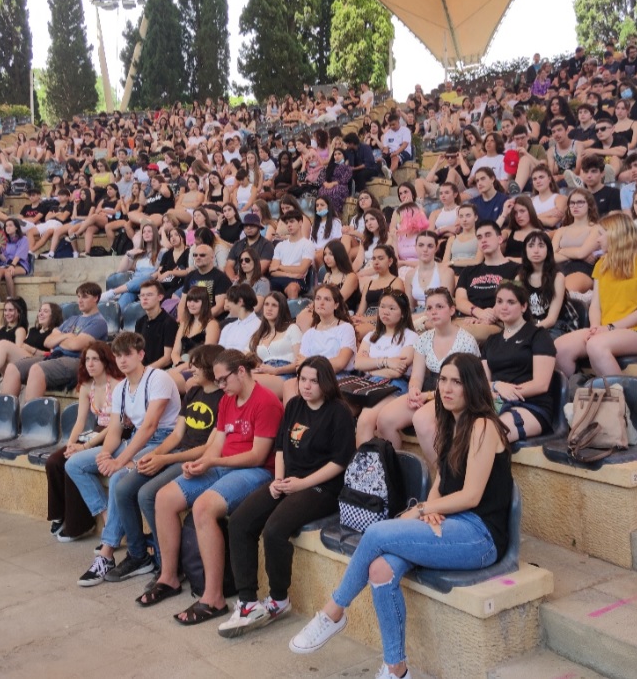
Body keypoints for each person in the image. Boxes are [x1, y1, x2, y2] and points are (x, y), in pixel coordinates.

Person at [289, 352, 512, 679]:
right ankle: (396, 668)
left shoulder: (483, 425)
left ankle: (333, 612)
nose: (446, 389)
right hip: (451, 524)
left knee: (377, 533)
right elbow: (442, 481)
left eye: (456, 382)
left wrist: (423, 509)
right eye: (443, 380)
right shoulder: (452, 422)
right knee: (380, 569)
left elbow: (472, 495)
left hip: (480, 536)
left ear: (473, 386)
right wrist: (432, 507)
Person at [219, 356, 356, 638]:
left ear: (326, 382)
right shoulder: (294, 405)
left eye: (313, 381)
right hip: (288, 480)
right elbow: (281, 447)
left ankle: (279, 599)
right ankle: (247, 601)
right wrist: (279, 480)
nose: (306, 386)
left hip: (323, 487)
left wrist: (303, 483)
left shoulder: (338, 412)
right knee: (240, 521)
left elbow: (340, 462)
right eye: (302, 379)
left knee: (275, 529)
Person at [146, 350, 283, 624]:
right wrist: (201, 463)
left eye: (223, 380)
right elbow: (217, 442)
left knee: (204, 507)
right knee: (164, 497)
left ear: (241, 372)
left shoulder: (266, 402)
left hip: (254, 471)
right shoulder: (228, 400)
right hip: (223, 464)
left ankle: (213, 597)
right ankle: (169, 577)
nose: (220, 386)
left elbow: (258, 455)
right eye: (218, 381)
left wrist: (213, 462)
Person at [103, 344, 226, 584]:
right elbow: (177, 435)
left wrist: (164, 459)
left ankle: (166, 561)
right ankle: (138, 555)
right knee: (123, 487)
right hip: (176, 451)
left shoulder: (223, 399)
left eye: (197, 364)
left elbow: (208, 449)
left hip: (194, 458)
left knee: (148, 494)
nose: (191, 369)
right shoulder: (192, 392)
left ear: (210, 367)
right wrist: (155, 454)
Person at [74, 331, 181, 583]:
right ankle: (127, 544)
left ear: (141, 354)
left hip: (165, 440)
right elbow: (115, 429)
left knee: (121, 477)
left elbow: (151, 425)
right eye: (118, 355)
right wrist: (104, 454)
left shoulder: (159, 378)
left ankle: (109, 551)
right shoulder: (121, 387)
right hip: (137, 441)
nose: (122, 360)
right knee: (75, 463)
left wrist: (120, 461)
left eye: (128, 354)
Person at [415, 281, 556, 448]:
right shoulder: (492, 340)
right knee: (453, 432)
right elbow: (481, 380)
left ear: (524, 306)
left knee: (483, 437)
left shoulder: (538, 335)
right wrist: (496, 386)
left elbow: (541, 384)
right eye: (499, 301)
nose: (504, 307)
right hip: (494, 401)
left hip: (531, 405)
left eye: (511, 302)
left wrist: (507, 392)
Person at [359, 287, 479, 457]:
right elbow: (416, 375)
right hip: (428, 390)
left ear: (452, 310)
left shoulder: (466, 340)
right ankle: (394, 471)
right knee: (384, 420)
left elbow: (468, 382)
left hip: (455, 392)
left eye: (439, 307)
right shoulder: (424, 339)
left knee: (421, 419)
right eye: (429, 308)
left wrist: (428, 396)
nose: (433, 312)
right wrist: (414, 390)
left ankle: (442, 474)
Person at [553, 213, 637, 378]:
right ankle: (580, 392)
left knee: (596, 345)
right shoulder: (602, 264)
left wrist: (609, 328)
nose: (597, 240)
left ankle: (624, 399)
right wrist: (596, 326)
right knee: (559, 348)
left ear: (616, 234)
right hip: (604, 329)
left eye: (601, 234)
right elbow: (595, 304)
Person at [45, 342, 123, 541]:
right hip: (94, 432)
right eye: (87, 359)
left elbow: (114, 425)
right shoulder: (86, 386)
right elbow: (80, 420)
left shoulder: (115, 384)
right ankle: (60, 514)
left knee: (75, 464)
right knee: (55, 460)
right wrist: (71, 444)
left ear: (105, 361)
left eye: (95, 359)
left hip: (113, 433)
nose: (90, 363)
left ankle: (78, 523)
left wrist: (84, 447)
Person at [0, 282, 109, 402]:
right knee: (12, 368)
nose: (80, 301)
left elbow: (75, 345)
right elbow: (47, 341)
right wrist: (68, 336)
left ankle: (31, 419)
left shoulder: (98, 322)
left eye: (84, 297)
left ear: (96, 298)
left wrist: (59, 339)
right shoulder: (72, 319)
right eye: (78, 297)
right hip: (55, 357)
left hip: (77, 361)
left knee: (36, 369)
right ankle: (6, 417)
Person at [455, 220, 517, 342]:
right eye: (479, 237)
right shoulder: (468, 271)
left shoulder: (516, 269)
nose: (483, 240)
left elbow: (513, 298)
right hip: (468, 318)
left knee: (462, 333)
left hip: (498, 321)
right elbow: (460, 300)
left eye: (488, 235)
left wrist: (488, 316)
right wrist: (478, 313)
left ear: (500, 239)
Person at [133, 280, 180, 370]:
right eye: (142, 295)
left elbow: (167, 358)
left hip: (162, 371)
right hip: (143, 369)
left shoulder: (169, 323)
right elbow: (137, 351)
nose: (144, 298)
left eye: (149, 295)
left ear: (160, 297)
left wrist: (145, 371)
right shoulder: (140, 322)